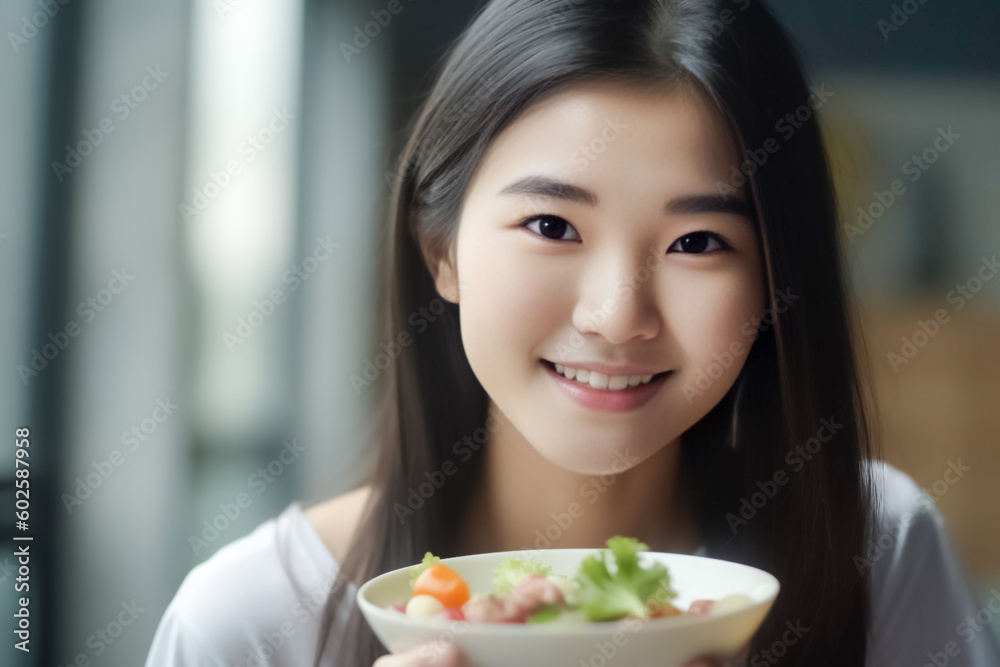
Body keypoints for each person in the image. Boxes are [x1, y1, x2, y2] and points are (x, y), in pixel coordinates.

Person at [145, 0, 1000, 666]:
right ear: (440, 247)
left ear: (779, 277)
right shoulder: (249, 621)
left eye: (698, 242)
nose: (617, 314)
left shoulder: (877, 549)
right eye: (552, 226)